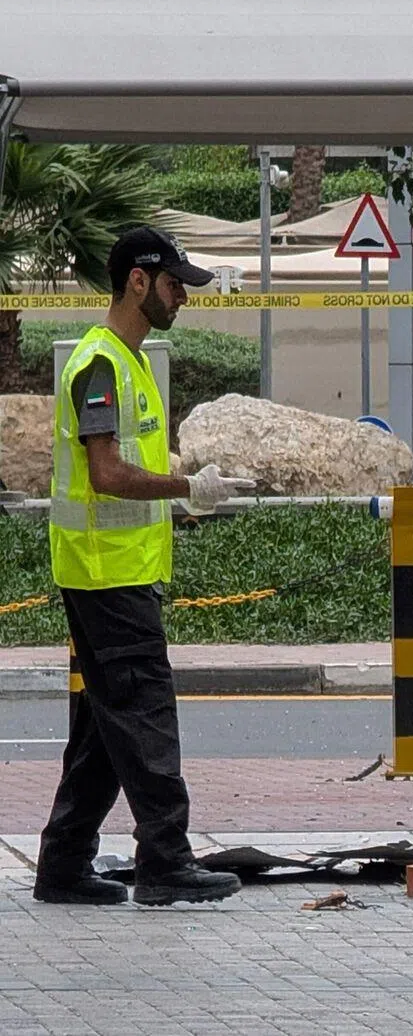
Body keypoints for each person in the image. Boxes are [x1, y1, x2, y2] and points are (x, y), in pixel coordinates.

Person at [34, 226, 255, 907]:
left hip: (113, 570)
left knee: (107, 726)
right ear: (138, 280)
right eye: (173, 284)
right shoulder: (100, 366)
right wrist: (189, 488)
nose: (182, 297)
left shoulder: (127, 362)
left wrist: (185, 484)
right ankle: (164, 861)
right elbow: (106, 475)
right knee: (147, 712)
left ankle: (64, 865)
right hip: (107, 574)